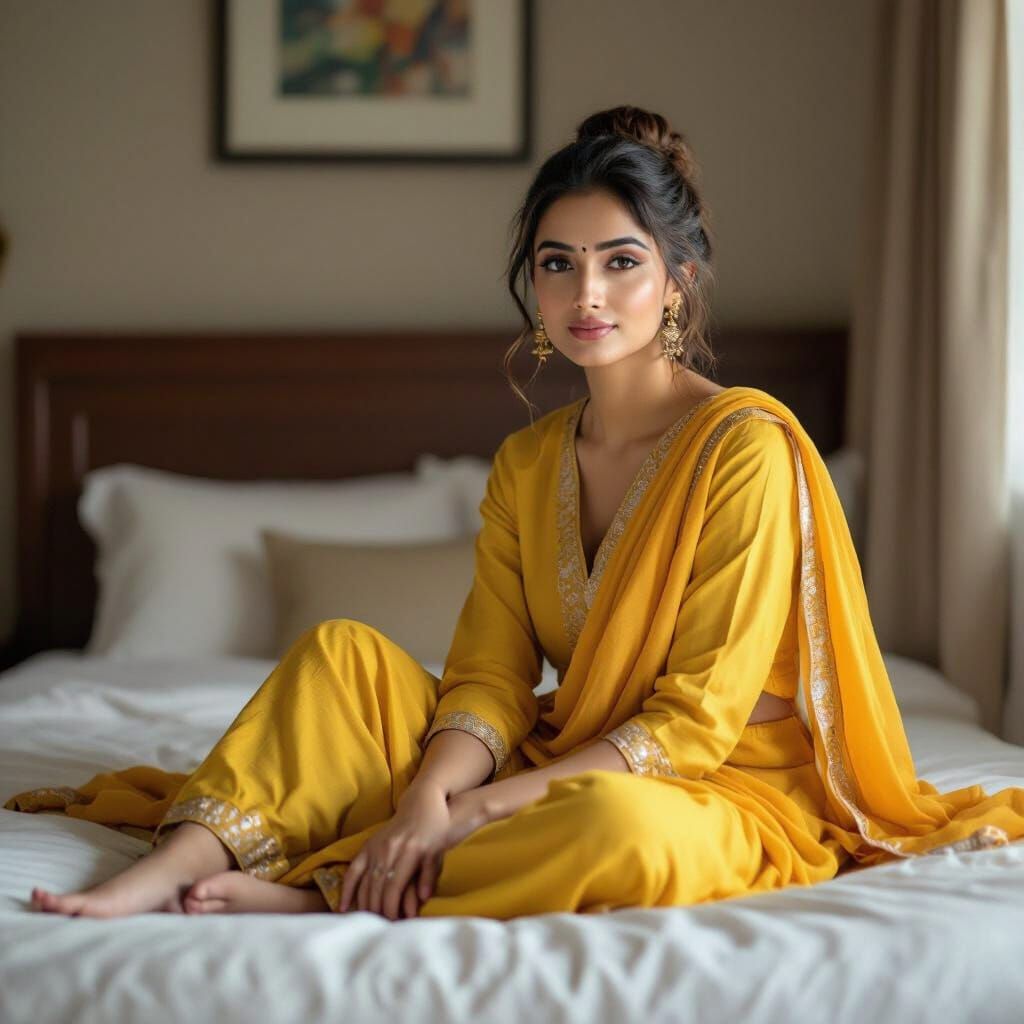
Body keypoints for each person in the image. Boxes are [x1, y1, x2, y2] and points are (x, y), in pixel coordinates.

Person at [8, 105, 1023, 922]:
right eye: (556, 261)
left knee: (618, 833)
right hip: (558, 753)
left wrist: (466, 814)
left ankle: (312, 890)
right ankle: (168, 869)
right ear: (531, 285)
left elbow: (691, 724)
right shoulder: (529, 463)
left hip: (719, 788)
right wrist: (421, 798)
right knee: (339, 657)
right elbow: (491, 680)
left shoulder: (744, 449)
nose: (587, 291)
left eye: (620, 260)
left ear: (676, 281)